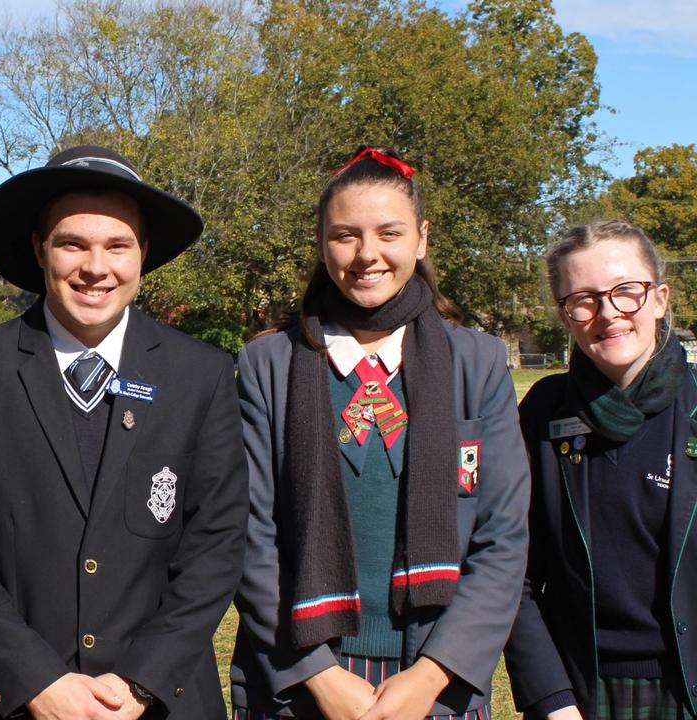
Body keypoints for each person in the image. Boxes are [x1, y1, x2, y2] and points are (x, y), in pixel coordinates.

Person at [0, 145, 248, 719]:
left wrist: (139, 684)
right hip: (2, 697)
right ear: (40, 249)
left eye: (118, 245)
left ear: (143, 253)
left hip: (154, 699)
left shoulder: (203, 376)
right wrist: (38, 682)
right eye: (73, 244)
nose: (96, 267)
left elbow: (215, 547)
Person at [229, 146, 530, 720]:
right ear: (322, 243)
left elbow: (504, 538)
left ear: (421, 239)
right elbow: (248, 536)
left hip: (435, 676)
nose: (367, 255)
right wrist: (320, 678)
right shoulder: (268, 364)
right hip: (301, 676)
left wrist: (430, 676)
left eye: (388, 233)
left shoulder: (479, 362)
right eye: (346, 235)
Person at [504, 220, 697, 720]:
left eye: (626, 292)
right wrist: (552, 698)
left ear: (659, 299)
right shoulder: (543, 413)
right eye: (584, 299)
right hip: (581, 693)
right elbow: (512, 573)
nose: (608, 313)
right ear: (566, 316)